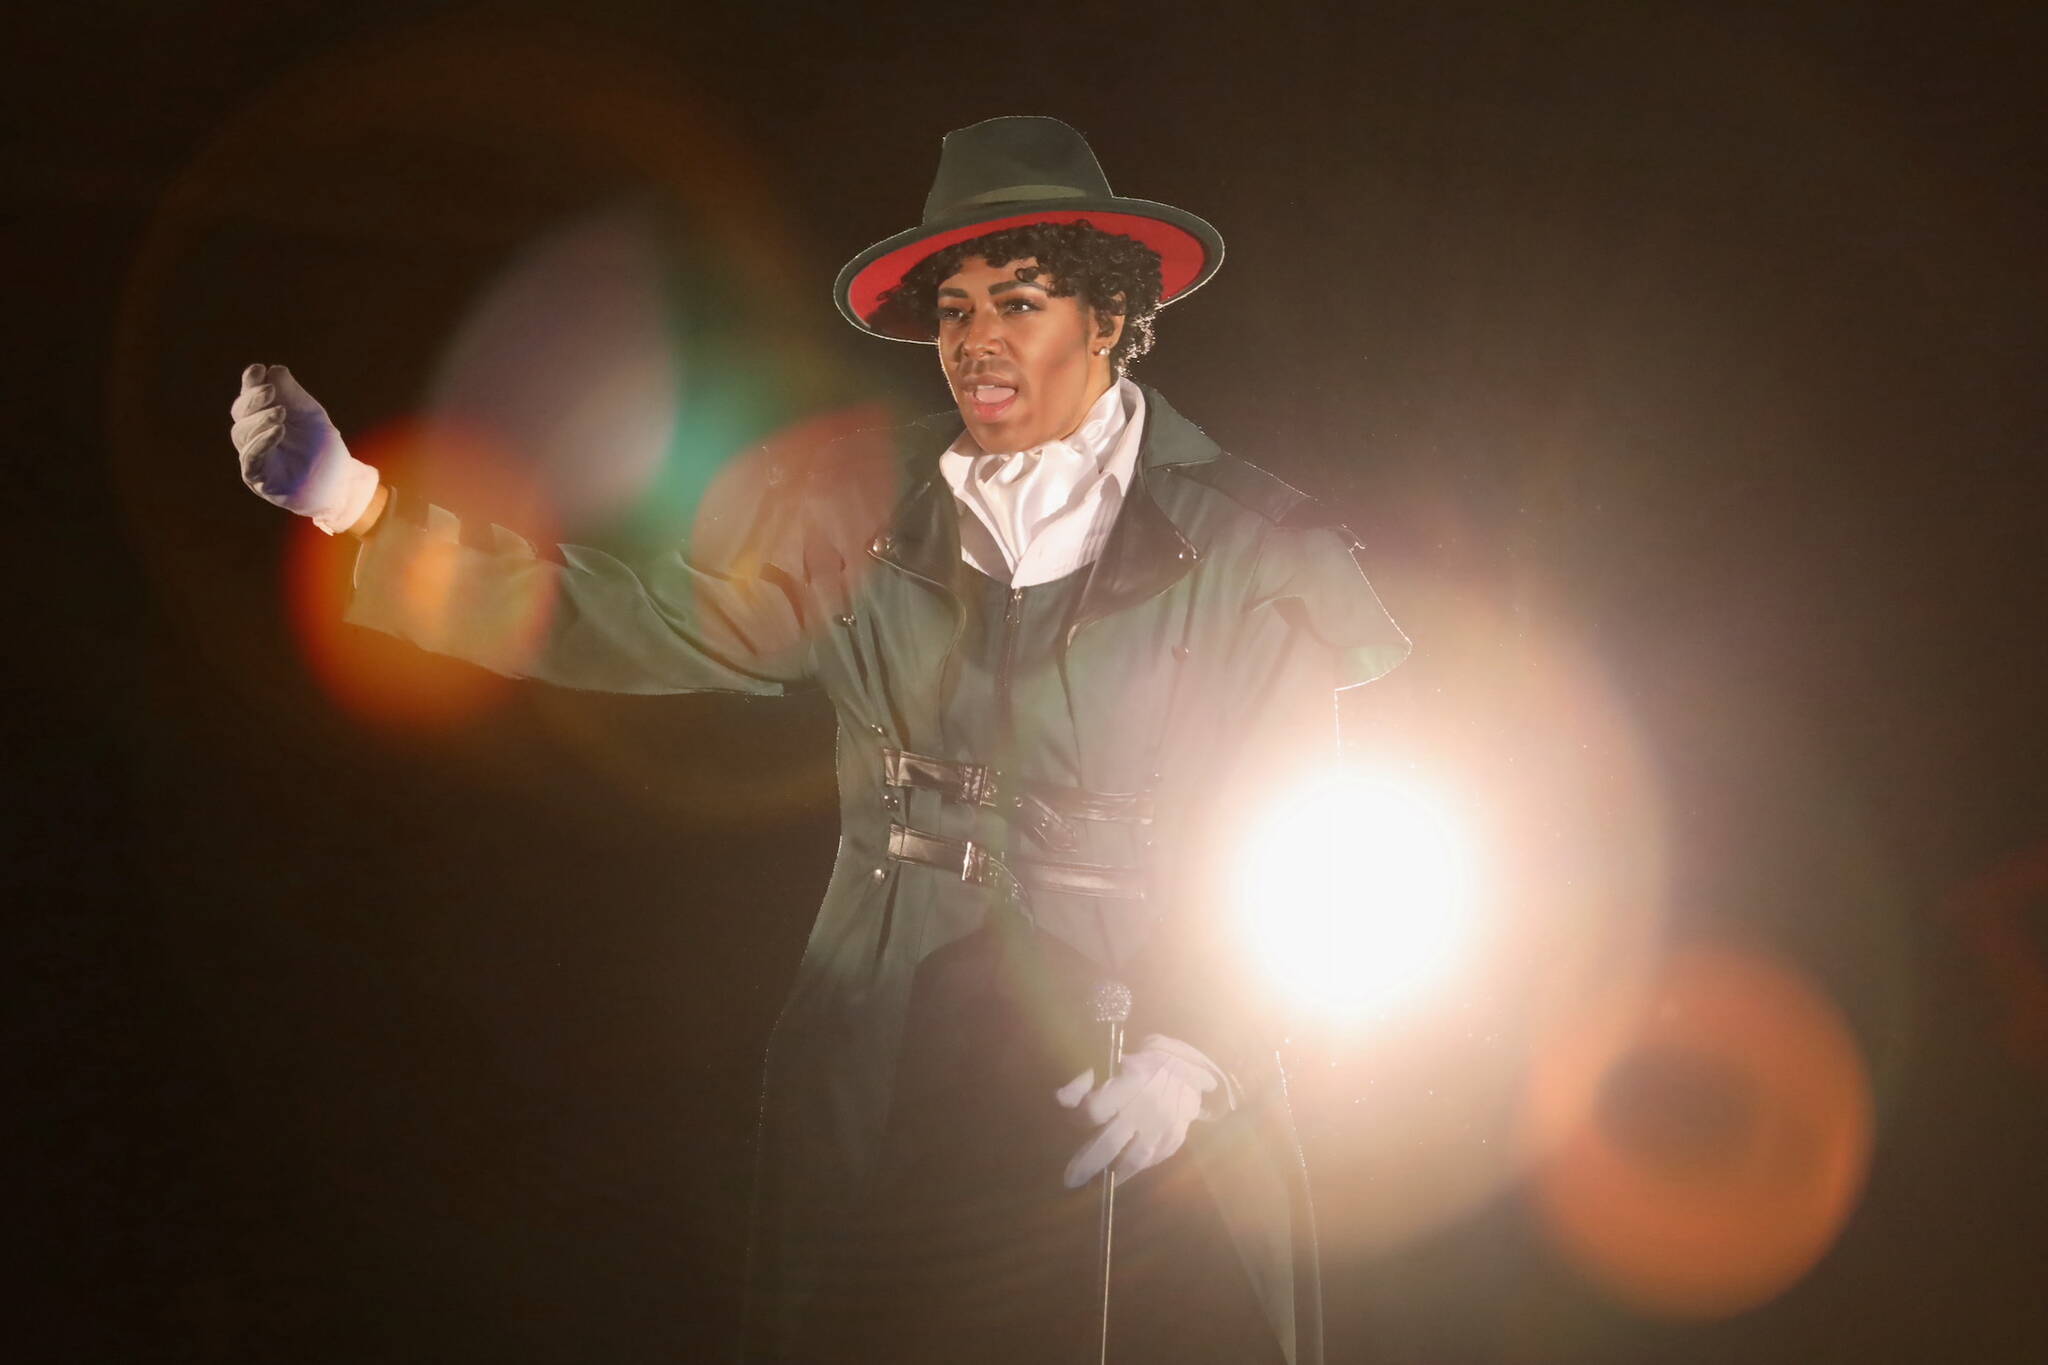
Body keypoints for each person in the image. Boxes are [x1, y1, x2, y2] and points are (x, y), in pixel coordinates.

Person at [230, 116, 1409, 1365]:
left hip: (1132, 1056)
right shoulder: (858, 509)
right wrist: (358, 505)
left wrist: (1196, 1050)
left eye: (1018, 302)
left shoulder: (1249, 548)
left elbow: (1311, 849)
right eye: (953, 311)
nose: (976, 340)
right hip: (890, 1030)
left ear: (1108, 316)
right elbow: (637, 621)